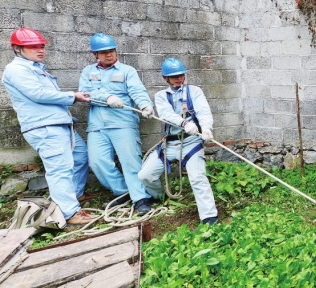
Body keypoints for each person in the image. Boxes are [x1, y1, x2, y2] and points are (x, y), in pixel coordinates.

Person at [2, 28, 96, 226]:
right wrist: (73, 96)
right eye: (33, 46)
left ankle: (74, 195)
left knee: (80, 157)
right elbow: (38, 94)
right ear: (17, 49)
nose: (40, 50)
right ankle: (69, 213)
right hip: (44, 128)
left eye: (41, 46)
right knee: (59, 169)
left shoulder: (35, 68)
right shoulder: (17, 69)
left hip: (59, 125)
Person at [78, 33, 155, 214]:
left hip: (123, 124)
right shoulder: (88, 72)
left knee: (130, 162)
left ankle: (140, 198)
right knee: (98, 162)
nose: (109, 54)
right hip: (97, 126)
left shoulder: (127, 71)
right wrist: (107, 97)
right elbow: (85, 93)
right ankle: (123, 192)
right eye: (103, 52)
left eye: (111, 50)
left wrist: (145, 105)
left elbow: (137, 90)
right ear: (94, 54)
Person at [138, 58, 219, 225]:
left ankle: (210, 217)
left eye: (181, 75)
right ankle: (160, 197)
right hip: (168, 144)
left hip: (191, 142)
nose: (178, 78)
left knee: (197, 178)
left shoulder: (194, 91)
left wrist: (206, 128)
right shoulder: (160, 96)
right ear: (165, 78)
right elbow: (166, 114)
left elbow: (203, 110)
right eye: (174, 76)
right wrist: (184, 123)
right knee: (145, 175)